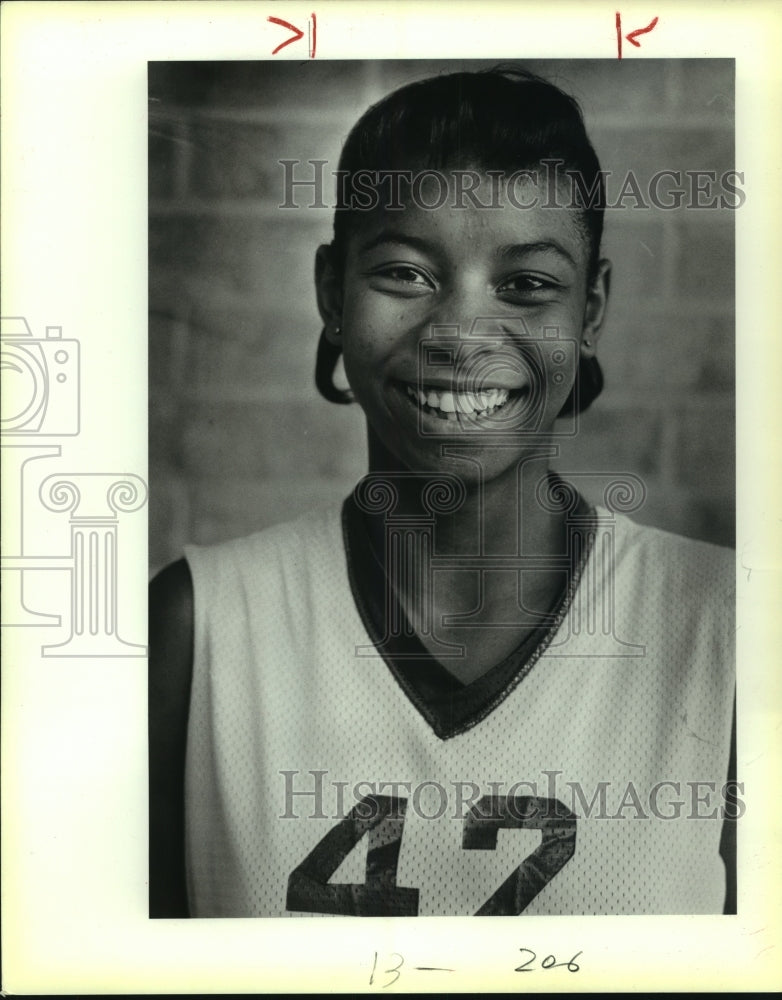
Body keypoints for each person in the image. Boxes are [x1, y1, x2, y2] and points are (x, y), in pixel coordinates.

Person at [149, 68, 736, 918]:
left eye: (528, 285)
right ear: (330, 293)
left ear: (591, 310)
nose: (461, 334)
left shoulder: (732, 628)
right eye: (406, 273)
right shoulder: (195, 630)